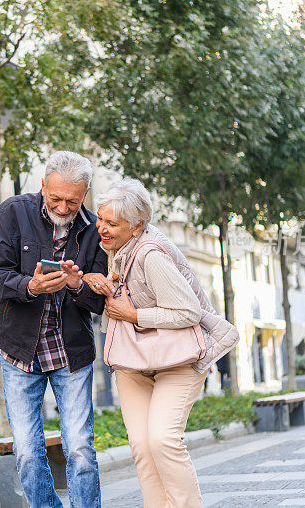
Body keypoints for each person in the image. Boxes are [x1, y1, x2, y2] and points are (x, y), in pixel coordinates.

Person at [82, 178, 236, 508]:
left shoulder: (151, 254)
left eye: (112, 223)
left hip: (178, 361)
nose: (103, 229)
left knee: (163, 440)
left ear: (138, 226)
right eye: (101, 219)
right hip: (134, 362)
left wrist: (136, 315)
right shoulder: (115, 250)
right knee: (141, 447)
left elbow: (188, 311)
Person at [0, 151, 107, 508]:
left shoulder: (95, 229)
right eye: (55, 198)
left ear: (84, 194)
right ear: (43, 185)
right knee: (25, 450)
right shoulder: (12, 213)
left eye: (72, 200)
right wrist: (31, 287)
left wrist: (75, 285)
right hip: (19, 350)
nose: (64, 207)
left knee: (81, 448)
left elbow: (97, 302)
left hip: (71, 352)